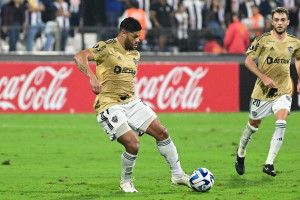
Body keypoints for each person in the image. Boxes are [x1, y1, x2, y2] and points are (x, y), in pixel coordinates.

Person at [73, 17, 191, 192]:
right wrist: (92, 77)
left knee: (162, 132)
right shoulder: (107, 47)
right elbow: (79, 56)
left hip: (130, 101)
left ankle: (178, 175)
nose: (138, 40)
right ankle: (125, 181)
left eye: (139, 36)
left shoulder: (135, 54)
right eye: (135, 36)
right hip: (108, 104)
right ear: (123, 33)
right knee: (133, 144)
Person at [235, 7, 300, 177]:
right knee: (253, 125)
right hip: (263, 91)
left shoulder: (294, 42)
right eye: (276, 20)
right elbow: (248, 61)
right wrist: (263, 77)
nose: (279, 23)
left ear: (288, 22)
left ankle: (269, 163)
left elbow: (298, 58)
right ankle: (241, 152)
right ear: (272, 22)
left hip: (283, 89)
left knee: (281, 122)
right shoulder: (263, 40)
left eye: (282, 20)